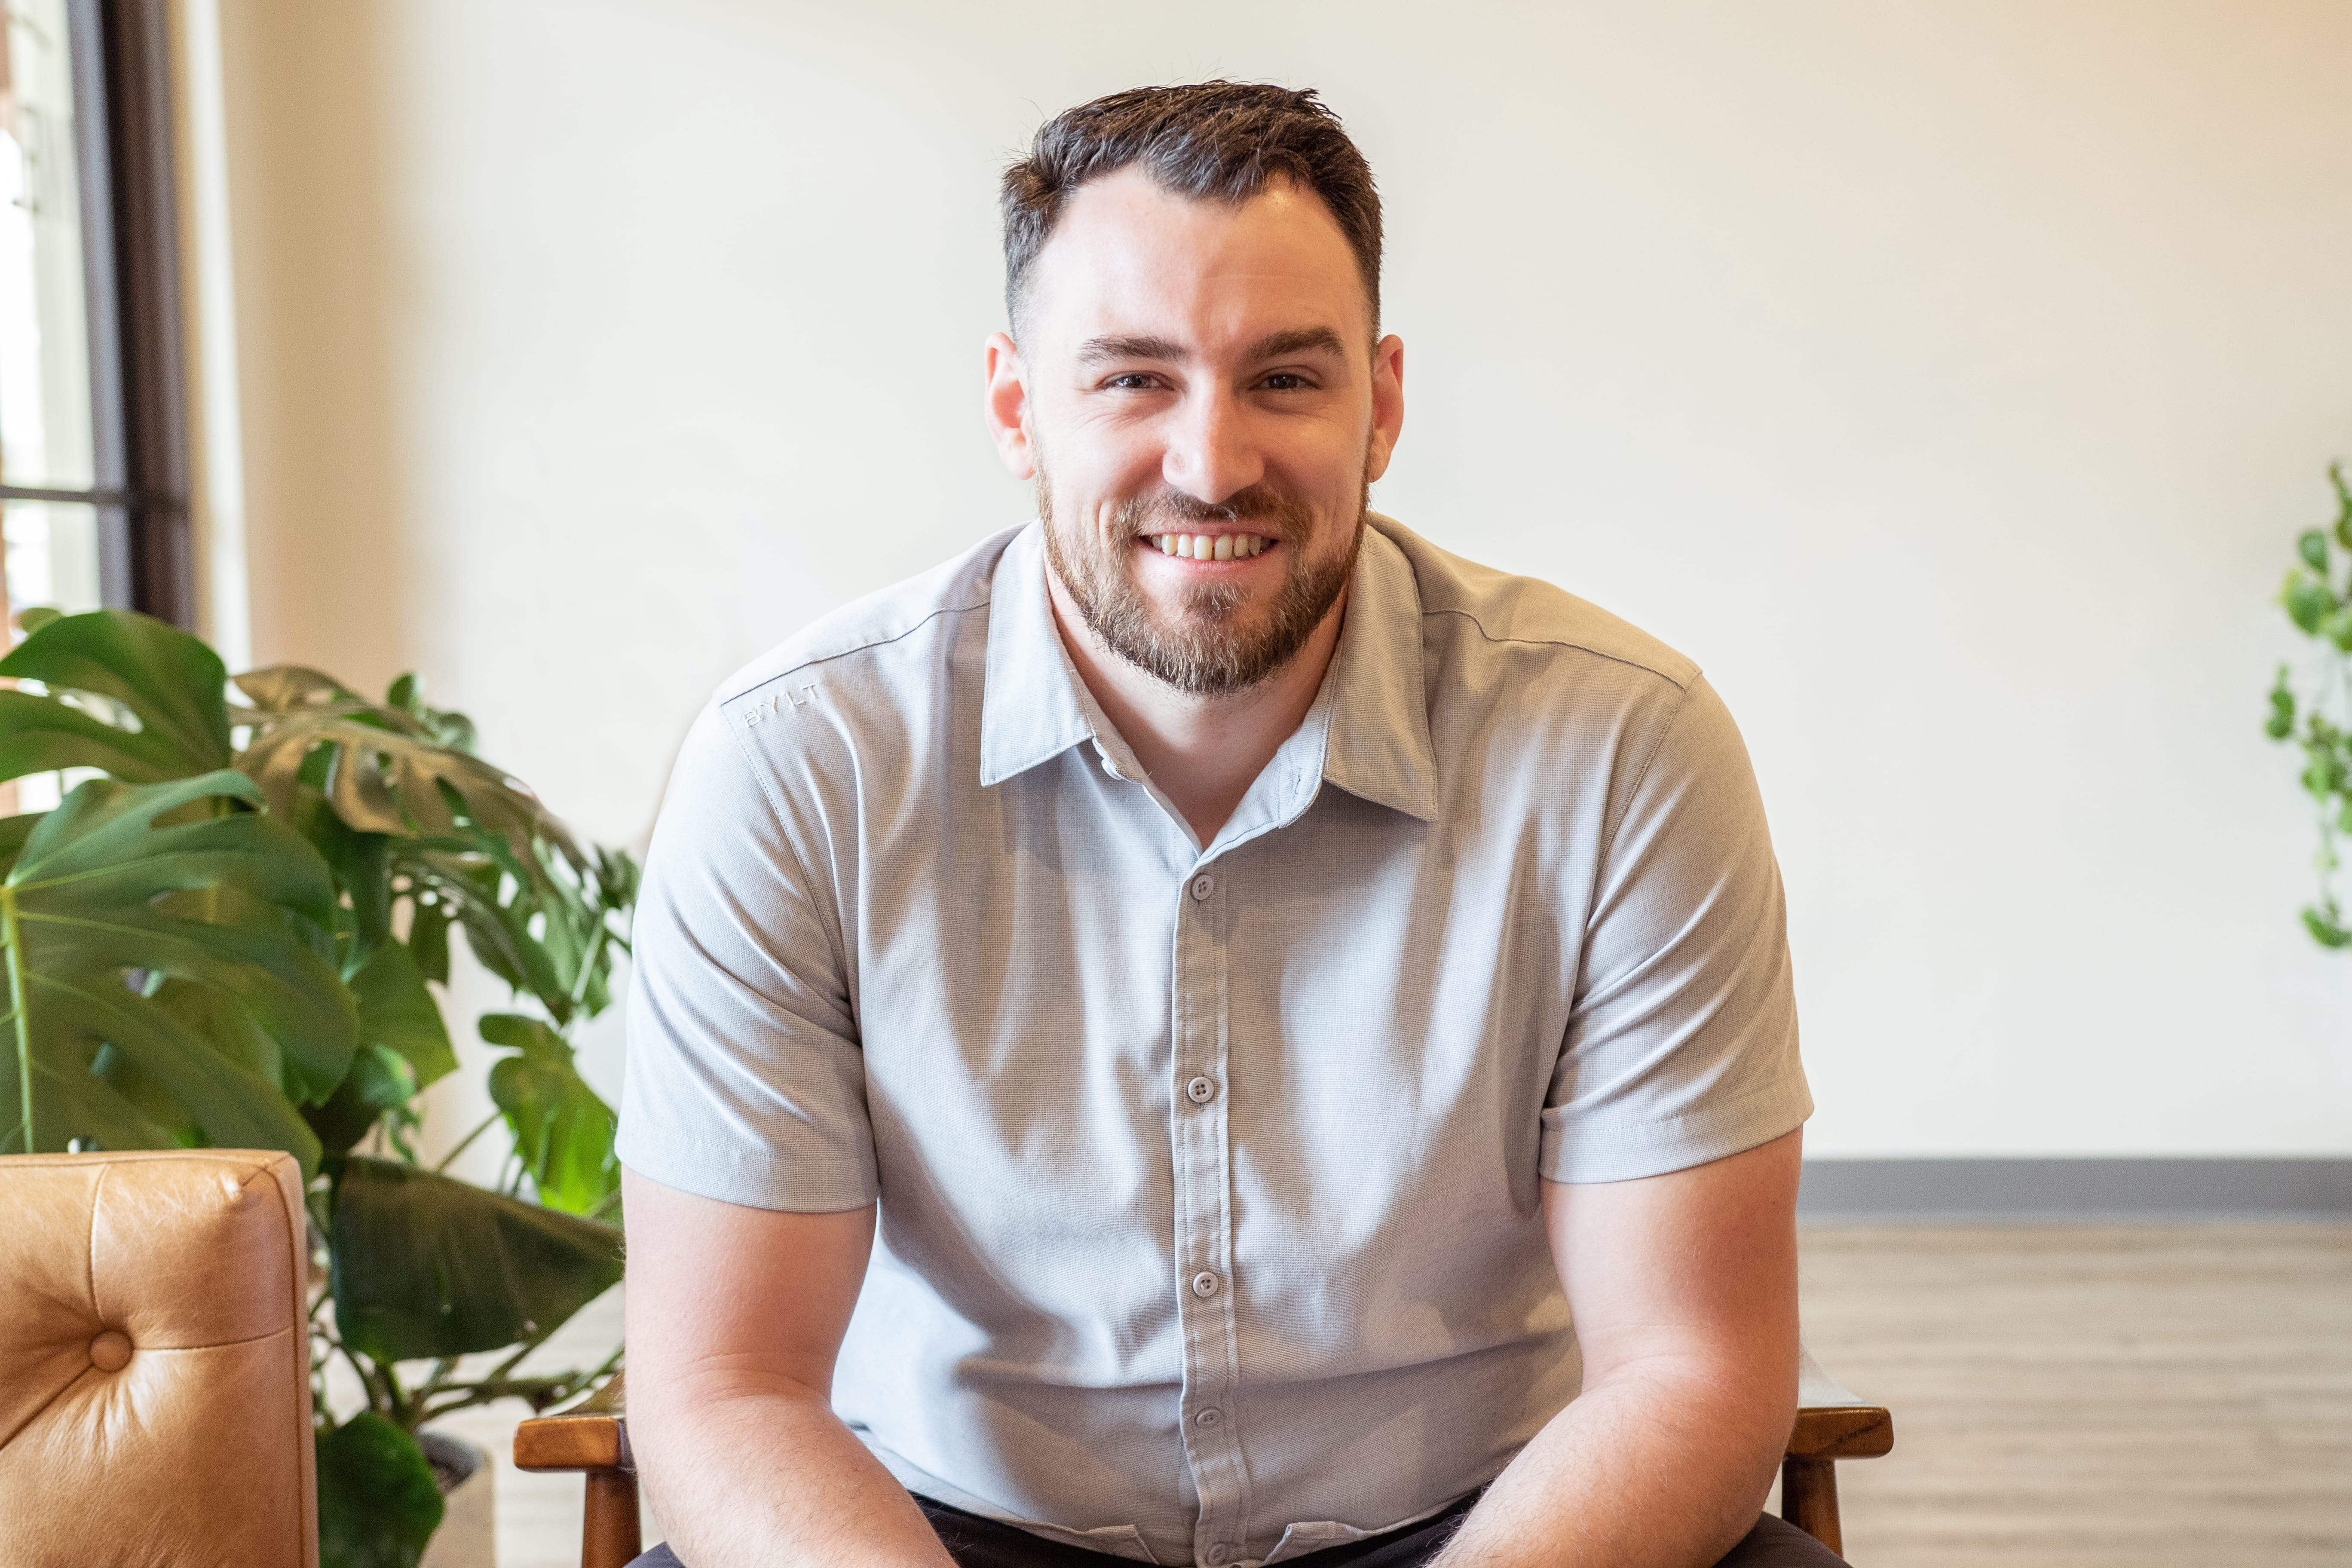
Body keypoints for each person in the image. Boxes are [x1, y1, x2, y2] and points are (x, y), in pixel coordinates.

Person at [616, 82, 1834, 1568]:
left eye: (1285, 380)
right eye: (1134, 378)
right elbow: (726, 1387)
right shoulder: (798, 765)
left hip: (1483, 1527)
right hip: (944, 1533)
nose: (1212, 462)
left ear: (1382, 402)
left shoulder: (1622, 747)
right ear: (1018, 407)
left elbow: (1691, 1370)